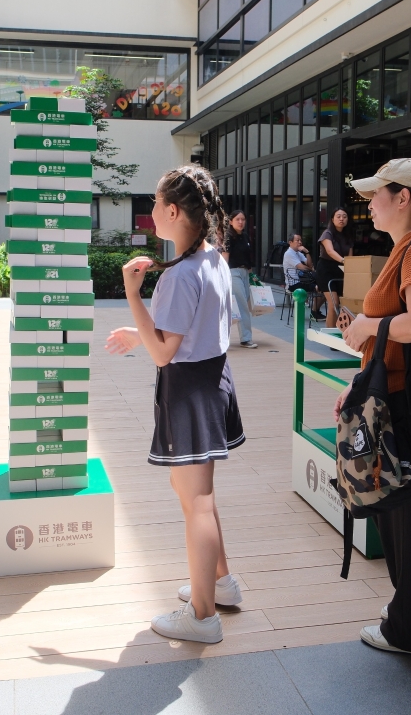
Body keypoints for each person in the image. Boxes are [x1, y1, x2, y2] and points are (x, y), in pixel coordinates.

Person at [105, 166, 245, 644]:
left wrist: (132, 295)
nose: (151, 212)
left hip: (187, 391)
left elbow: (165, 351)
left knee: (196, 503)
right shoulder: (213, 260)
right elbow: (188, 333)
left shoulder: (178, 275)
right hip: (211, 382)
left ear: (172, 210)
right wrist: (140, 332)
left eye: (154, 203)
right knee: (199, 495)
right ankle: (220, 584)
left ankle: (202, 616)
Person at [333, 157, 411, 658]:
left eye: (376, 194)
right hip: (398, 397)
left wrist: (366, 326)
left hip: (409, 405)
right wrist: (361, 380)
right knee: (406, 509)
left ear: (403, 198)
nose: (368, 204)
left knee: (405, 512)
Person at [223, 210, 259, 349]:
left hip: (245, 272)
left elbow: (247, 259)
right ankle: (246, 338)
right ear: (231, 221)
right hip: (233, 273)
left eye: (243, 219)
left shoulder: (245, 237)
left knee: (240, 304)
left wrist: (252, 275)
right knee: (242, 304)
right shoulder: (228, 237)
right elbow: (225, 259)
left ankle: (222, 336)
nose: (240, 222)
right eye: (237, 219)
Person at [317, 208, 353, 327]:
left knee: (344, 304)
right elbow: (330, 251)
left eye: (344, 216)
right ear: (332, 219)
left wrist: (350, 265)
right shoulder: (327, 233)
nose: (341, 219)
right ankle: (330, 334)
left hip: (341, 270)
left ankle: (340, 331)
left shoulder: (348, 236)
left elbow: (350, 256)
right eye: (338, 216)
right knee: (334, 304)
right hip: (326, 270)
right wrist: (344, 261)